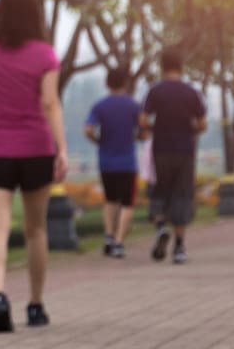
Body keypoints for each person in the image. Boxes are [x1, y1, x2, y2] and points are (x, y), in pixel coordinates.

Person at [0, 0, 69, 332]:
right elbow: (51, 104)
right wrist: (62, 148)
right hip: (36, 148)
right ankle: (36, 306)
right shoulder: (45, 54)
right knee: (35, 230)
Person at [141, 48, 207, 264]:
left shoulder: (155, 91)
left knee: (160, 191)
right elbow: (202, 123)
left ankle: (161, 228)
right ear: (181, 67)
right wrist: (191, 130)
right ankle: (179, 247)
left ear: (162, 67)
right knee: (182, 195)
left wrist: (154, 128)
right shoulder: (191, 92)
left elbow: (142, 120)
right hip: (185, 151)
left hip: (161, 149)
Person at [85, 67, 145, 258]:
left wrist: (98, 140)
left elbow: (88, 129)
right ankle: (119, 242)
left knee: (110, 200)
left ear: (107, 84)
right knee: (127, 203)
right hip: (127, 162)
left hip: (106, 161)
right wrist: (137, 136)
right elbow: (144, 127)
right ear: (126, 84)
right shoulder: (133, 105)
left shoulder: (100, 105)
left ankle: (108, 236)